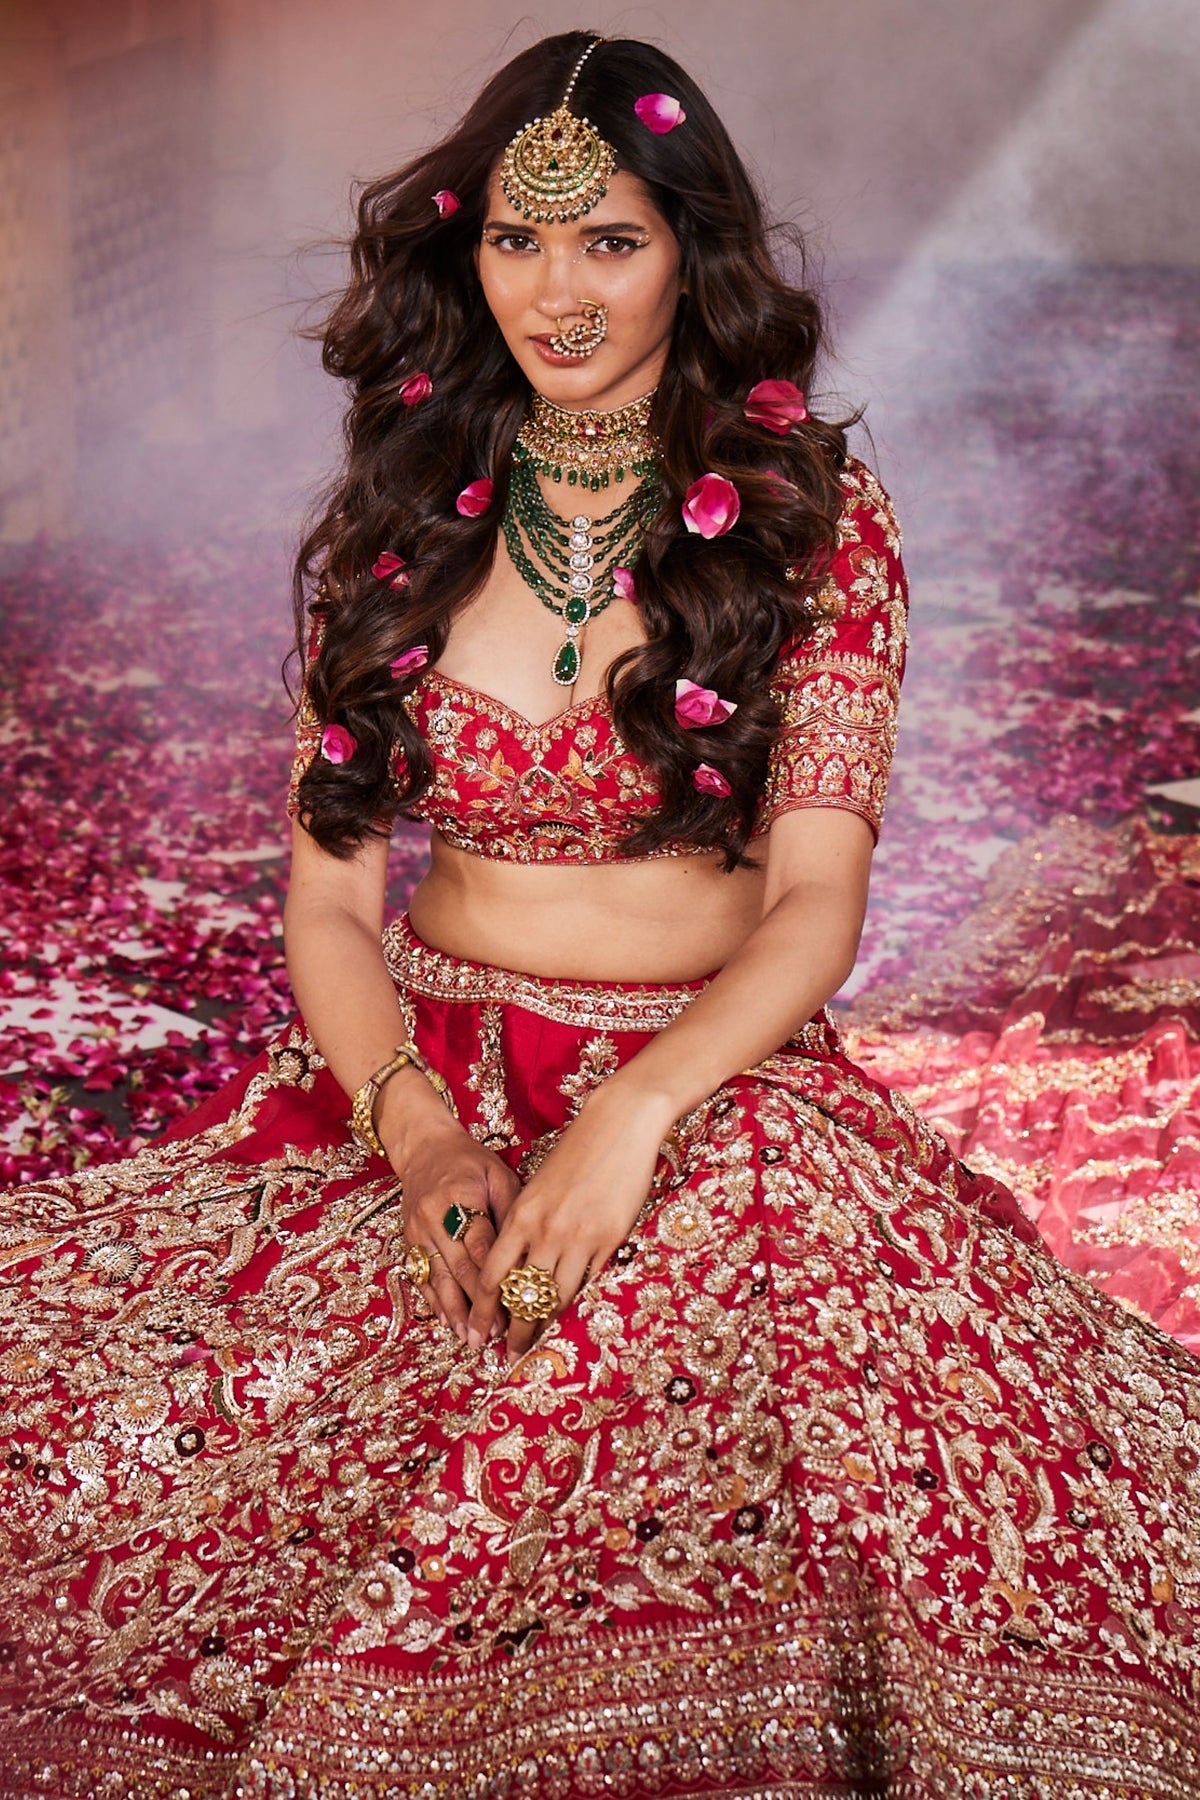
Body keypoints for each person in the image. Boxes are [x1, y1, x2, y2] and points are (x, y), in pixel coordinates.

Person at [1, 29, 1198, 1799]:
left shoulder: (806, 522)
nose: (555, 294)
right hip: (424, 1075)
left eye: (610, 243)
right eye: (513, 241)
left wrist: (637, 1115)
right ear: (460, 252)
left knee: (776, 1381)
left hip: (718, 1087)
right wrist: (413, 1133)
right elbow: (328, 898)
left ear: (690, 253)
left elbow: (813, 900)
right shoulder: (398, 521)